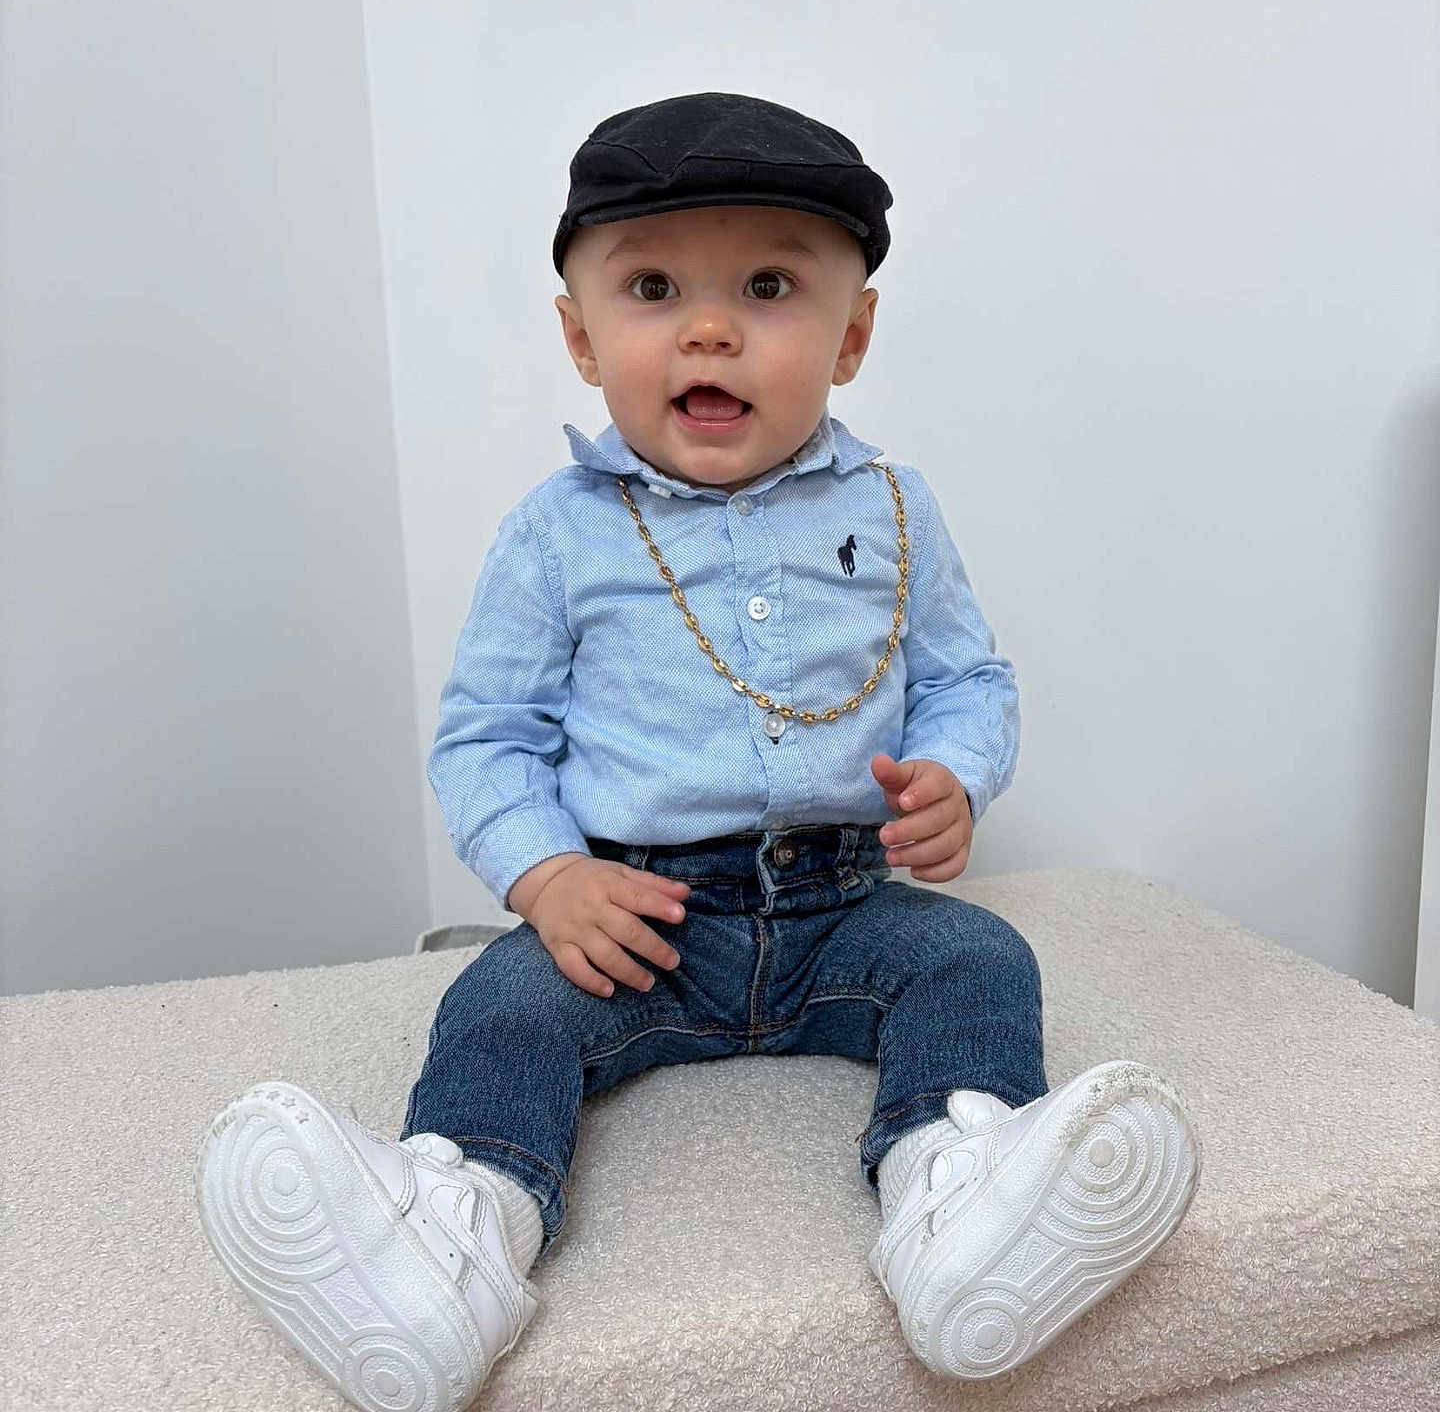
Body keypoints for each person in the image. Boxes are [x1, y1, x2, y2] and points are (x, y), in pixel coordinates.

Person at [195, 91, 1202, 1412]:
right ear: (579, 335)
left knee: (975, 956)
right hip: (641, 919)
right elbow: (488, 738)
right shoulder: (556, 536)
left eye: (771, 286)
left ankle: (957, 1194)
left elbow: (966, 679)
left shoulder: (898, 510)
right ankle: (453, 1230)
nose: (711, 328)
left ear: (854, 334)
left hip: (845, 905)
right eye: (654, 286)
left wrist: (957, 773)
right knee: (501, 1005)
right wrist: (548, 879)